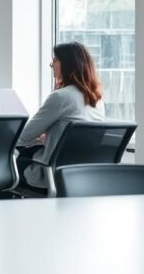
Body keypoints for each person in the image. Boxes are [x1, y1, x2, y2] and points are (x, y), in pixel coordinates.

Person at [15, 41, 105, 189]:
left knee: (1, 164)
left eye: (55, 61)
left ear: (69, 65)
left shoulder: (61, 97)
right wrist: (50, 137)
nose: (52, 66)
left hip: (51, 175)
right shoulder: (97, 99)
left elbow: (23, 137)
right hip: (84, 175)